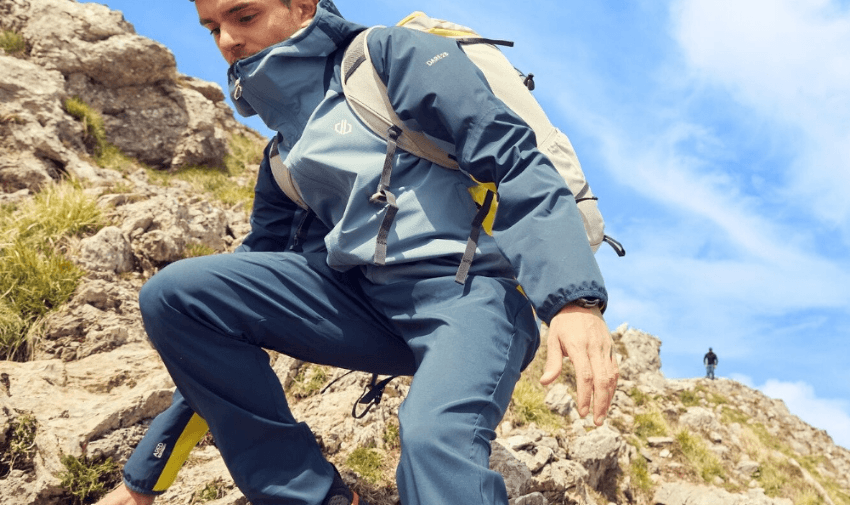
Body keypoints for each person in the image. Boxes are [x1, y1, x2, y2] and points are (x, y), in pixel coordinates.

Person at [96, 0, 618, 504]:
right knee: (179, 295)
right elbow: (224, 311)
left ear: (302, 6)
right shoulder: (284, 155)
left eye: (244, 15)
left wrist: (572, 302)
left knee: (434, 437)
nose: (228, 40)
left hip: (471, 300)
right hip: (364, 307)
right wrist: (145, 476)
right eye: (212, 28)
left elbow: (512, 159)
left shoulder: (391, 57)